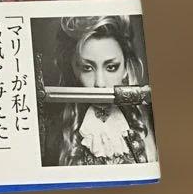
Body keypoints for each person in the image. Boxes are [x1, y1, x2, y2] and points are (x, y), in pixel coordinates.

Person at [45, 15, 157, 166]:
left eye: (111, 67)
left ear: (126, 67)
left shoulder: (151, 120)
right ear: (74, 68)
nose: (100, 83)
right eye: (87, 68)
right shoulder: (51, 132)